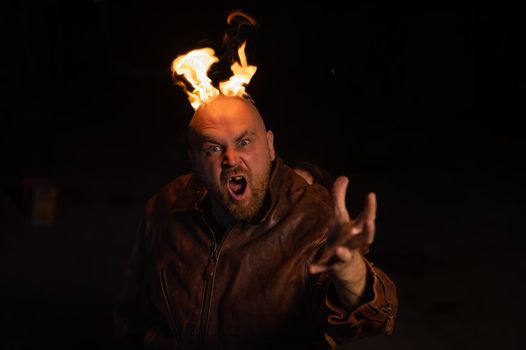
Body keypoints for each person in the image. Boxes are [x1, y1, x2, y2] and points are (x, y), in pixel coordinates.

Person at [113, 94, 397, 350]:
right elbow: (132, 318)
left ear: (271, 146)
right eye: (213, 148)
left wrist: (351, 275)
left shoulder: (314, 217)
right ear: (195, 160)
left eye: (244, 142)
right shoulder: (165, 207)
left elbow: (374, 320)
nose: (231, 159)